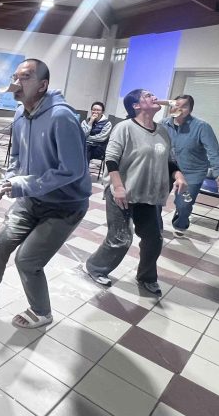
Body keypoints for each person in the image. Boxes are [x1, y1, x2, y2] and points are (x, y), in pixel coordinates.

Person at [0, 59, 92, 330]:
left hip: (64, 205)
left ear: (42, 85)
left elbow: (72, 170)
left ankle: (42, 311)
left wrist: (24, 185)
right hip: (31, 200)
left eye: (25, 77)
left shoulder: (62, 117)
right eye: (15, 77)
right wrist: (10, 179)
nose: (16, 83)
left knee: (27, 260)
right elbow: (16, 156)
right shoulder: (20, 113)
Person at [86, 89, 188, 296]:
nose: (154, 97)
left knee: (154, 239)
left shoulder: (162, 131)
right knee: (121, 239)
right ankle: (95, 267)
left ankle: (147, 277)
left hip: (149, 195)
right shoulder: (124, 128)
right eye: (148, 95)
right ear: (136, 105)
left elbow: (170, 160)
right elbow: (111, 159)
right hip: (122, 193)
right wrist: (118, 187)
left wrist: (178, 175)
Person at [162, 94, 219, 237]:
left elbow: (213, 150)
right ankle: (155, 224)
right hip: (168, 168)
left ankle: (180, 223)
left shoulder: (201, 127)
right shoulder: (163, 124)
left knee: (184, 204)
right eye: (177, 105)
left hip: (192, 172)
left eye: (184, 106)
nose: (180, 109)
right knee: (157, 200)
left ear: (190, 109)